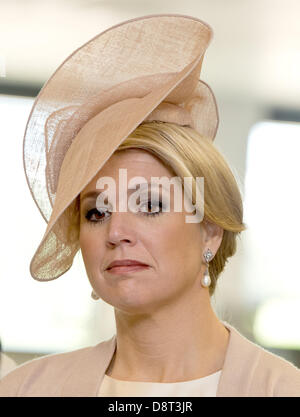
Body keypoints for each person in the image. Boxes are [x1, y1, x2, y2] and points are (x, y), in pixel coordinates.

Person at [0, 14, 299, 397]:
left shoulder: (281, 390)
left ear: (210, 231)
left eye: (150, 205)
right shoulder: (27, 390)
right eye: (97, 212)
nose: (116, 233)